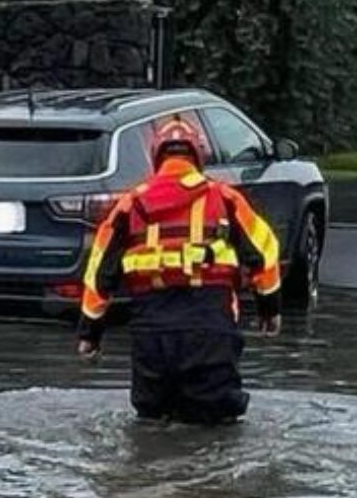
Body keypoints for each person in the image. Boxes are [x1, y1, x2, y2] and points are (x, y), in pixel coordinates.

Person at [77, 117, 281, 424]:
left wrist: (90, 334)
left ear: (156, 156)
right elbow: (264, 253)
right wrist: (269, 309)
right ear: (198, 155)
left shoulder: (129, 205)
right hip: (209, 325)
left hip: (151, 330)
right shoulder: (224, 198)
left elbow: (99, 274)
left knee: (152, 422)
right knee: (216, 423)